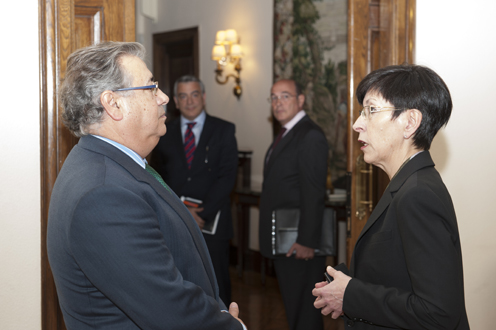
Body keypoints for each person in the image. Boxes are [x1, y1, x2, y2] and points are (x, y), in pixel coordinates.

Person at [47, 42, 246, 330]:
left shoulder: (111, 164)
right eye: (151, 88)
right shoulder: (103, 194)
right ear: (113, 103)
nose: (164, 97)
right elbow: (169, 308)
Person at [312, 64, 470, 329]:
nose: (357, 124)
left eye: (371, 110)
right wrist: (349, 283)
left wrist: (351, 295)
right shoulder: (406, 182)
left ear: (410, 122)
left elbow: (439, 312)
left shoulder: (417, 194)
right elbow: (400, 276)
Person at [150, 75, 238, 305]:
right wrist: (181, 210)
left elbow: (228, 177)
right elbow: (157, 176)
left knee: (217, 285)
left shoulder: (224, 130)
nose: (189, 101)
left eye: (195, 94)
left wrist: (203, 213)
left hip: (214, 224)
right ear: (176, 102)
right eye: (183, 96)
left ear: (204, 97)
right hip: (174, 221)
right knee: (181, 286)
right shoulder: (161, 131)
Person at [258, 79, 329, 330]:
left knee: (305, 313)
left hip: (298, 243)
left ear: (301, 100)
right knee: (295, 309)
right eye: (274, 97)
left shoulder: (309, 135)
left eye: (285, 96)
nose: (278, 103)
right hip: (285, 240)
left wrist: (308, 241)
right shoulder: (286, 133)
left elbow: (314, 192)